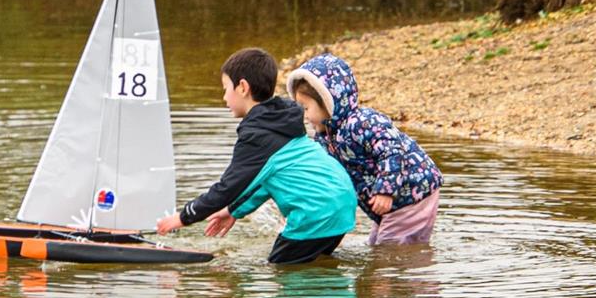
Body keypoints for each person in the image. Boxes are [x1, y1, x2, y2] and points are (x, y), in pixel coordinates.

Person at [156, 47, 357, 264]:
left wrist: (183, 217)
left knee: (281, 270)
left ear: (242, 87)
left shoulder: (257, 134)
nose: (224, 97)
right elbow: (267, 181)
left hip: (316, 212)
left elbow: (227, 188)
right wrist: (234, 211)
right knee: (316, 266)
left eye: (225, 89)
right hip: (341, 202)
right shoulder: (280, 122)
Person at [287, 53, 442, 245]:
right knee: (377, 246)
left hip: (413, 191)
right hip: (394, 203)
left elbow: (392, 150)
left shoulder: (361, 123)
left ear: (328, 103)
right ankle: (411, 269)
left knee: (390, 250)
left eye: (306, 108)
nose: (305, 116)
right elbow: (323, 174)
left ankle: (413, 272)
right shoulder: (326, 137)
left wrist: (386, 190)